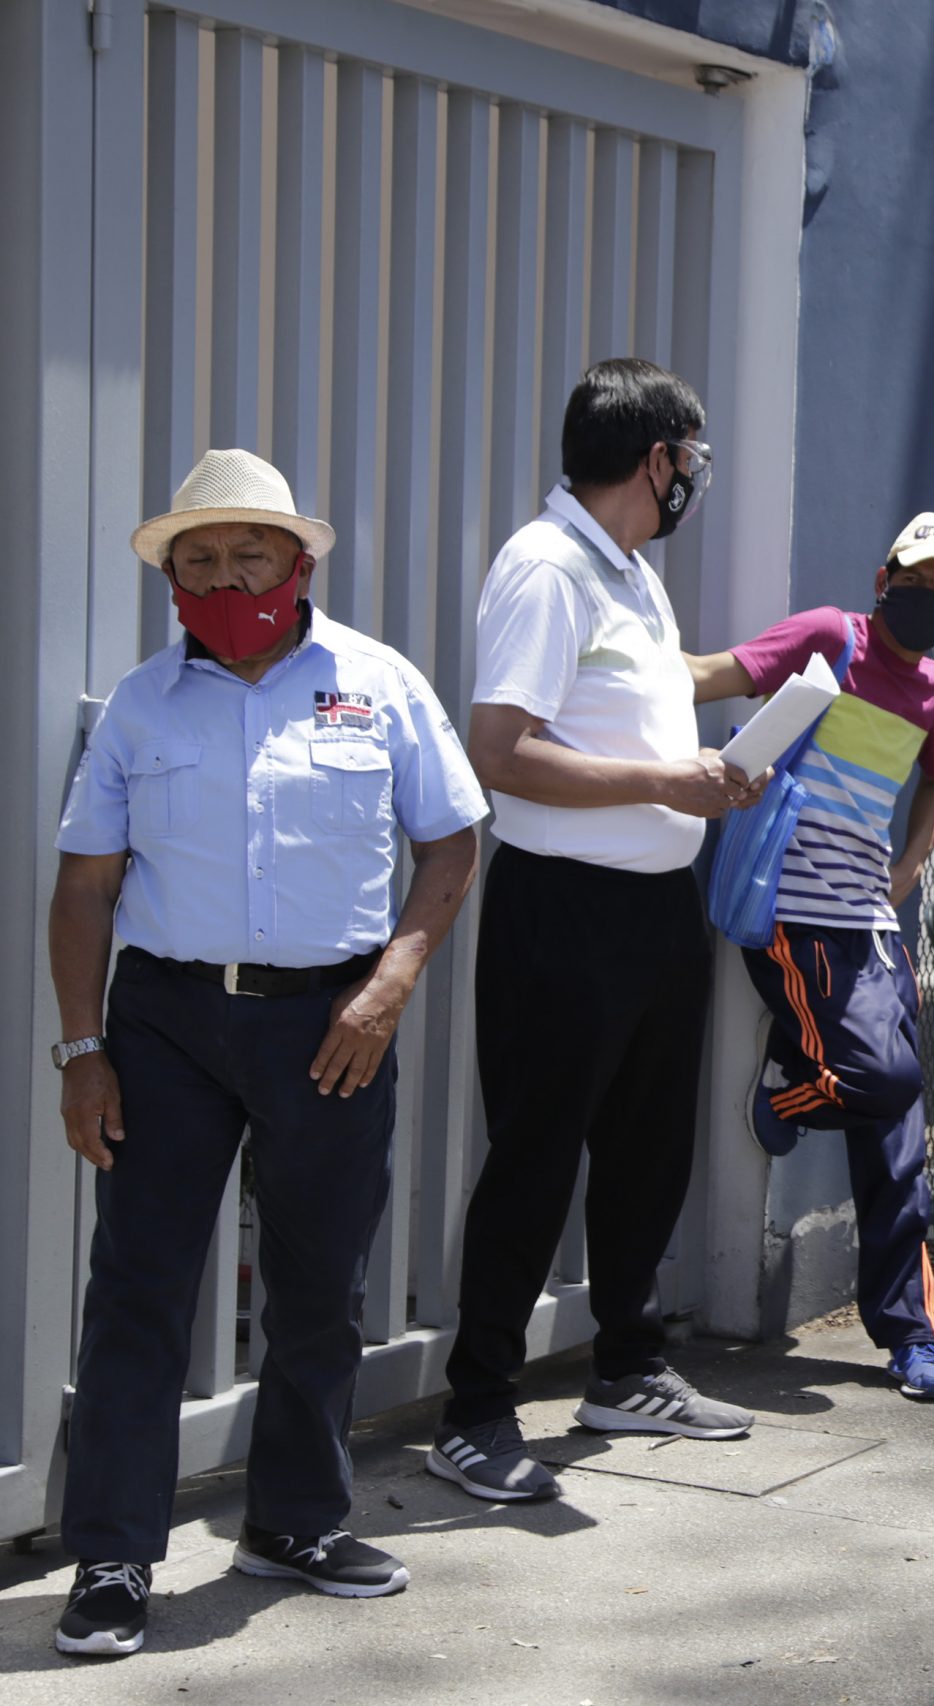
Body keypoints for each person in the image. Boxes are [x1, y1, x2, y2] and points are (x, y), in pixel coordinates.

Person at [49, 450, 488, 1654]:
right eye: (201, 559)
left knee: (317, 1283)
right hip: (166, 1026)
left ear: (299, 565)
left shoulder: (380, 684)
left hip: (330, 1023)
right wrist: (83, 1047)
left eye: (252, 555)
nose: (228, 575)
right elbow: (84, 887)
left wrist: (391, 983)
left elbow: (452, 844)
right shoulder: (143, 704)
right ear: (173, 577)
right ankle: (112, 1555)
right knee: (139, 1285)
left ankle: (292, 1520)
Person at [434, 359, 762, 1504]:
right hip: (562, 907)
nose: (694, 481)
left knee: (645, 1148)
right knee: (536, 1155)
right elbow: (499, 748)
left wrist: (765, 679)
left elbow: (645, 691)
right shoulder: (546, 567)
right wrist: (667, 783)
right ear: (656, 457)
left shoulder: (627, 570)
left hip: (652, 908)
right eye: (692, 458)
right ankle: (474, 1409)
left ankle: (627, 1363)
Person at [688, 513, 934, 1402]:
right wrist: (619, 674)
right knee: (886, 1082)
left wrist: (913, 863)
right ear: (882, 572)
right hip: (789, 913)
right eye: (915, 579)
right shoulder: (829, 638)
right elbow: (713, 676)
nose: (926, 599)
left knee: (900, 1135)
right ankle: (798, 1081)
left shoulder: (932, 690)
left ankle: (910, 1333)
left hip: (867, 922)